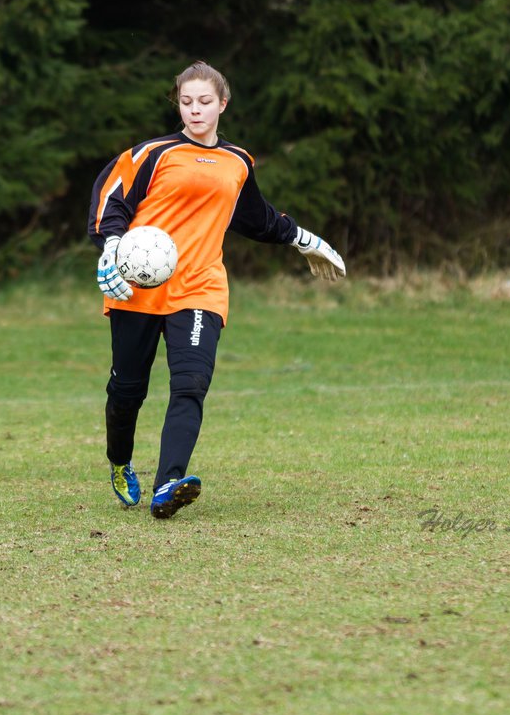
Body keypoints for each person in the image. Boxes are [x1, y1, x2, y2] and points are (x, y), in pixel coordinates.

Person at [88, 60, 346, 519]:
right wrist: (110, 247)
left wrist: (305, 240)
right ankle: (120, 461)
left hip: (200, 287)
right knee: (128, 390)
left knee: (191, 384)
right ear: (178, 104)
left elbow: (256, 217)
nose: (195, 110)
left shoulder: (238, 161)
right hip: (139, 290)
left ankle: (168, 484)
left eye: (205, 102)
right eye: (186, 102)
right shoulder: (152, 153)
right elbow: (111, 200)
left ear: (222, 104)